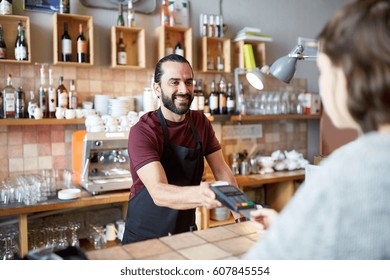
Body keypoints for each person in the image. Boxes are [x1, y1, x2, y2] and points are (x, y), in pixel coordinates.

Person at [244, 0, 390, 259]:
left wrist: (286, 236)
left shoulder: (348, 171)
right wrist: (290, 228)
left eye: (323, 71)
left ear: (347, 76)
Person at [122, 54, 238, 244]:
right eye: (174, 82)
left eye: (189, 82)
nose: (184, 90)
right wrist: (203, 194)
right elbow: (159, 192)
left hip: (186, 234)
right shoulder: (143, 131)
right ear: (157, 89)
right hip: (146, 239)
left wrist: (240, 212)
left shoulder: (201, 122)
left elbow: (221, 170)